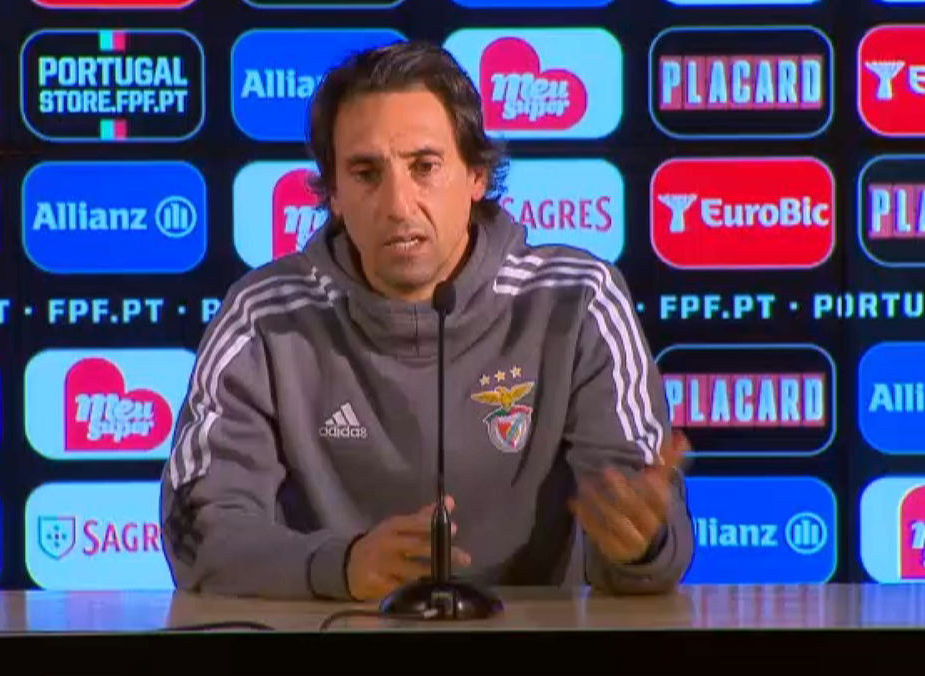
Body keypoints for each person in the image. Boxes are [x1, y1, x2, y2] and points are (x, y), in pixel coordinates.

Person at [159, 40, 694, 602]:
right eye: (366, 173)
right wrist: (341, 568)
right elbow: (199, 532)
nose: (398, 205)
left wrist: (640, 547)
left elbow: (644, 520)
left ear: (477, 175)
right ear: (333, 194)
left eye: (425, 167)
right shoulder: (262, 318)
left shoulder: (577, 300)